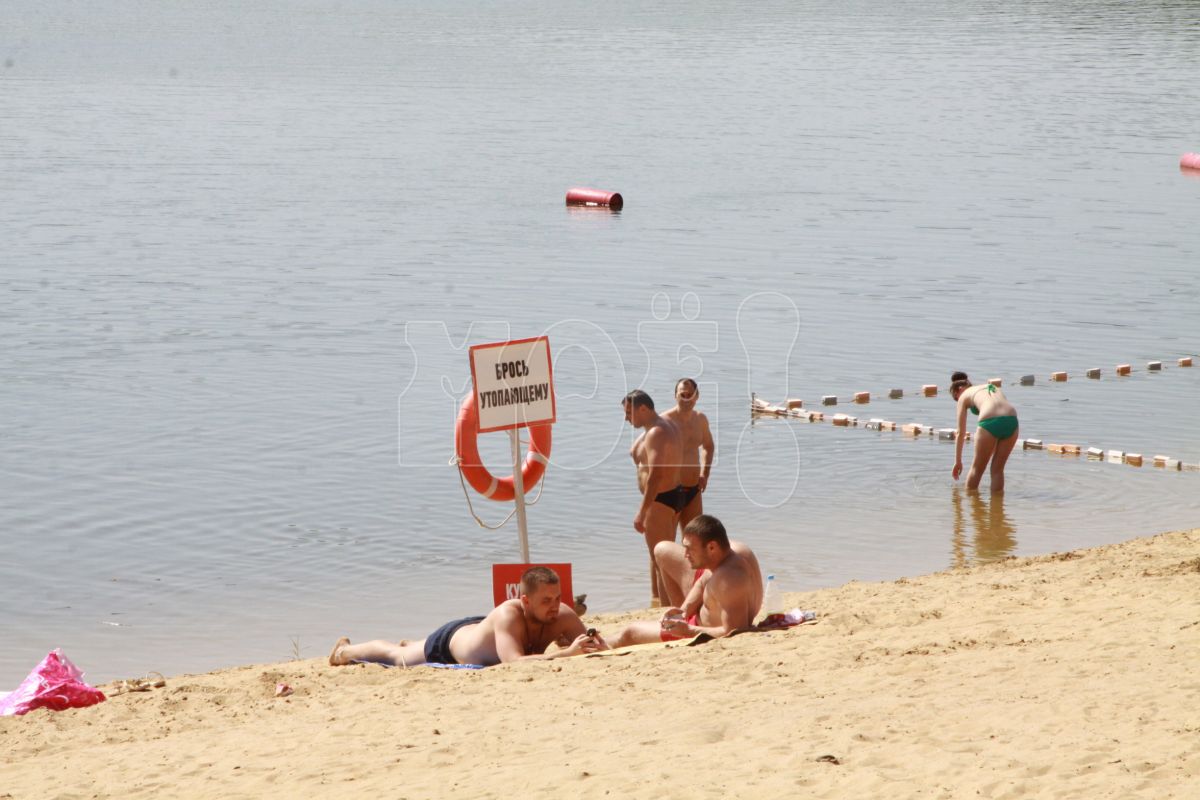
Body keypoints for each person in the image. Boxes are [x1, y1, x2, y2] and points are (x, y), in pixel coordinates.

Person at [328, 567, 607, 668]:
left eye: (557, 598)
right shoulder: (510, 616)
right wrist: (566, 654)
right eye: (546, 601)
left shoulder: (562, 615)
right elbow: (514, 663)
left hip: (479, 631)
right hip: (451, 645)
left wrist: (594, 644)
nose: (554, 606)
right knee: (396, 657)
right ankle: (344, 651)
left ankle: (413, 643)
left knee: (407, 650)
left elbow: (596, 646)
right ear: (525, 600)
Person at [609, 515, 762, 647]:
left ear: (712, 547)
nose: (685, 554)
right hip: (696, 624)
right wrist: (683, 611)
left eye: (690, 549)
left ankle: (595, 646)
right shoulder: (723, 560)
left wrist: (689, 630)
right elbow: (702, 583)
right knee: (630, 631)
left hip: (700, 631)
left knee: (630, 633)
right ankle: (596, 642)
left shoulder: (729, 580)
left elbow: (734, 631)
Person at [623, 389, 684, 605]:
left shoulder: (656, 432)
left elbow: (656, 474)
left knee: (661, 562)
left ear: (643, 409)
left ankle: (668, 612)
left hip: (659, 500)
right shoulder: (661, 425)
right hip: (672, 495)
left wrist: (642, 511)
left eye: (629, 413)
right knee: (662, 557)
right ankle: (660, 602)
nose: (626, 418)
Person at [662, 378, 715, 535]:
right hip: (670, 491)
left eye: (690, 395)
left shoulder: (700, 420)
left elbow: (709, 446)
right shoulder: (664, 421)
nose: (686, 399)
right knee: (665, 544)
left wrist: (704, 474)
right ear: (675, 396)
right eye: (682, 394)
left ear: (697, 396)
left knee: (695, 542)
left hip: (694, 490)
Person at [950, 374, 1019, 493]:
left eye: (956, 398)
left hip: (989, 421)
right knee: (997, 470)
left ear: (959, 389)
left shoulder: (964, 396)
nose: (958, 400)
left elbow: (960, 432)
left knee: (976, 470)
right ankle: (997, 508)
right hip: (1012, 421)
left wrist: (958, 461)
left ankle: (972, 505)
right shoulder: (990, 387)